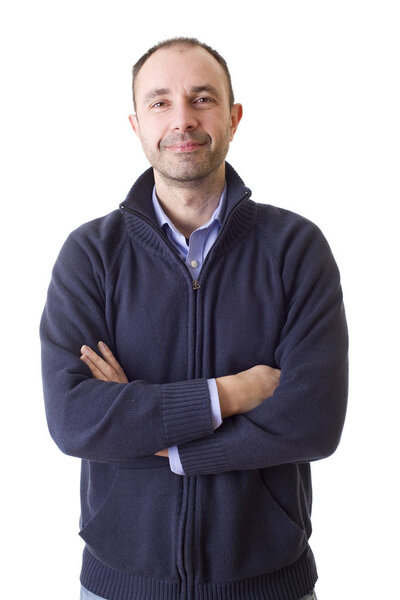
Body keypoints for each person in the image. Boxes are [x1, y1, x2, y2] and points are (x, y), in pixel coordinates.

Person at [40, 37, 348, 600]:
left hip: (269, 585)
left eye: (202, 98)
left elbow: (313, 421)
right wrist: (233, 393)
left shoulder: (296, 248)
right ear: (136, 125)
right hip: (119, 587)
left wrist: (162, 441)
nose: (183, 119)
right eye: (160, 102)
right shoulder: (90, 254)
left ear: (232, 117)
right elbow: (74, 419)